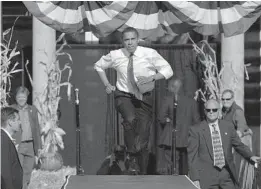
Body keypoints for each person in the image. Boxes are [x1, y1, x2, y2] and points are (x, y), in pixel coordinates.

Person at [94, 27, 173, 174]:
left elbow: (168, 70)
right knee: (130, 119)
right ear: (122, 41)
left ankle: (140, 169)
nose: (129, 43)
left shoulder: (149, 54)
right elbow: (98, 66)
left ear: (137, 40)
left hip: (144, 96)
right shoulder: (116, 55)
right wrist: (107, 84)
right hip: (123, 95)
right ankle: (131, 153)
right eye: (126, 40)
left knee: (142, 140)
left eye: (132, 39)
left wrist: (153, 77)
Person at [187, 99, 261, 189]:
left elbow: (238, 145)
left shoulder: (228, 126)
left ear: (218, 110)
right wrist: (195, 178)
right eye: (208, 110)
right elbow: (192, 156)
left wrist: (250, 156)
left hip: (226, 174)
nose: (211, 112)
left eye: (214, 109)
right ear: (204, 111)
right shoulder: (196, 130)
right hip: (206, 177)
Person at [157, 77, 201, 175]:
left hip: (171, 137)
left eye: (169, 87)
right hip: (187, 137)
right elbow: (197, 121)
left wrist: (168, 120)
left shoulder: (168, 100)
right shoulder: (192, 102)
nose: (168, 90)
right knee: (186, 164)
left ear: (173, 87)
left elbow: (161, 117)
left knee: (171, 164)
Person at [11, 86, 42, 189]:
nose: (21, 99)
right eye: (19, 96)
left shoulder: (32, 109)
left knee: (28, 171)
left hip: (30, 145)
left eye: (23, 97)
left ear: (27, 97)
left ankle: (24, 186)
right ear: (16, 97)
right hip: (18, 145)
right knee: (19, 171)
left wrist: (38, 148)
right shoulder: (11, 109)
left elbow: (36, 129)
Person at [1, 107, 23, 189]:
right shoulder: (3, 140)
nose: (20, 122)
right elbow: (4, 172)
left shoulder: (5, 138)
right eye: (18, 119)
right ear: (10, 122)